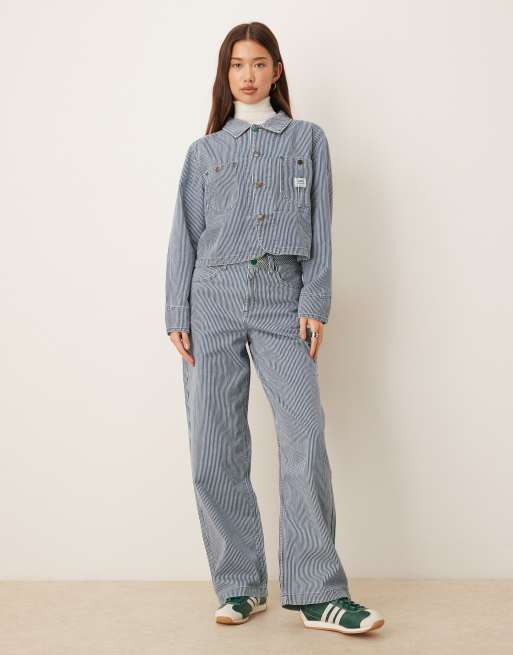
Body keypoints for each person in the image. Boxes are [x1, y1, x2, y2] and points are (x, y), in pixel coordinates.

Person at [165, 22, 385, 636]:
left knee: (304, 433)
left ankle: (318, 593)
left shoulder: (307, 140)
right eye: (237, 64)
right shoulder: (203, 152)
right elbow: (184, 234)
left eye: (259, 63)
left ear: (276, 70)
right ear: (225, 73)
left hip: (282, 298)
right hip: (209, 299)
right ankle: (240, 585)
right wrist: (176, 310)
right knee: (214, 445)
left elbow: (321, 226)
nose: (248, 75)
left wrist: (316, 298)